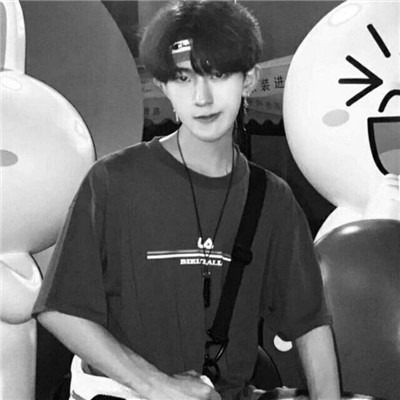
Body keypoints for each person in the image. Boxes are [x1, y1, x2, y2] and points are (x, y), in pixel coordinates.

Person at [33, 1, 340, 399]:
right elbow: (60, 309)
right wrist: (157, 385)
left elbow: (309, 324)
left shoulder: (272, 199)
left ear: (249, 79)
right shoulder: (113, 181)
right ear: (163, 85)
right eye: (183, 78)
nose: (202, 97)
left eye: (218, 74)